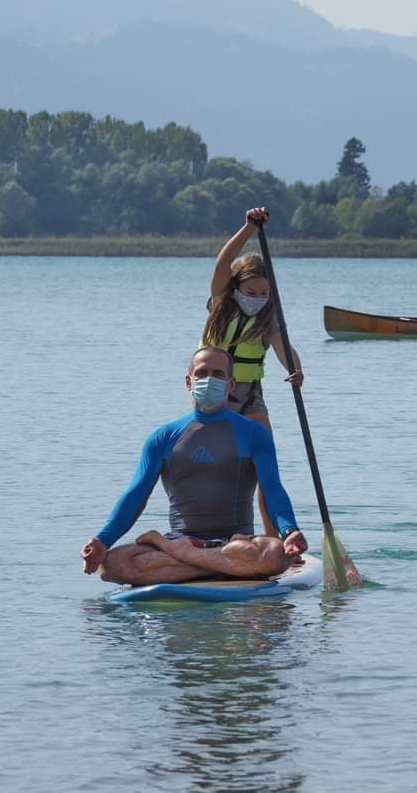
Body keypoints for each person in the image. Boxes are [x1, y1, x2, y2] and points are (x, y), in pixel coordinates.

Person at [80, 346, 309, 586]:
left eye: (218, 374)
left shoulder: (253, 433)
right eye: (202, 373)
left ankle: (181, 559)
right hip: (190, 541)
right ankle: (224, 567)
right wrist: (103, 541)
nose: (209, 380)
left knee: (275, 554)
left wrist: (289, 531)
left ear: (231, 384)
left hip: (235, 542)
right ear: (188, 382)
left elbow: (272, 489)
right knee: (111, 564)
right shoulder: (163, 437)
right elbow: (136, 495)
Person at [200, 207, 303, 537]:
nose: (258, 298)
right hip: (213, 392)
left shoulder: (268, 316)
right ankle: (213, 535)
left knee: (265, 468)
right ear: (235, 287)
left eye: (264, 293)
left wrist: (296, 370)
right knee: (215, 466)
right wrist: (248, 229)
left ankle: (274, 539)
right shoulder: (221, 301)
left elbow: (283, 348)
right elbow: (222, 264)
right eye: (251, 292)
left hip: (250, 395)